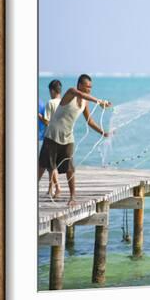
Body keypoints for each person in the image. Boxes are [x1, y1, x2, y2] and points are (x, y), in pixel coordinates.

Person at [38, 74, 112, 205]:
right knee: (43, 166)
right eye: (87, 86)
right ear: (79, 85)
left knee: (70, 168)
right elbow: (82, 95)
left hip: (68, 137)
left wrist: (103, 132)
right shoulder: (71, 92)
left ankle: (72, 198)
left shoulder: (85, 102)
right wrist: (99, 101)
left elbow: (89, 121)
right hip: (52, 135)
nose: (89, 89)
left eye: (91, 87)